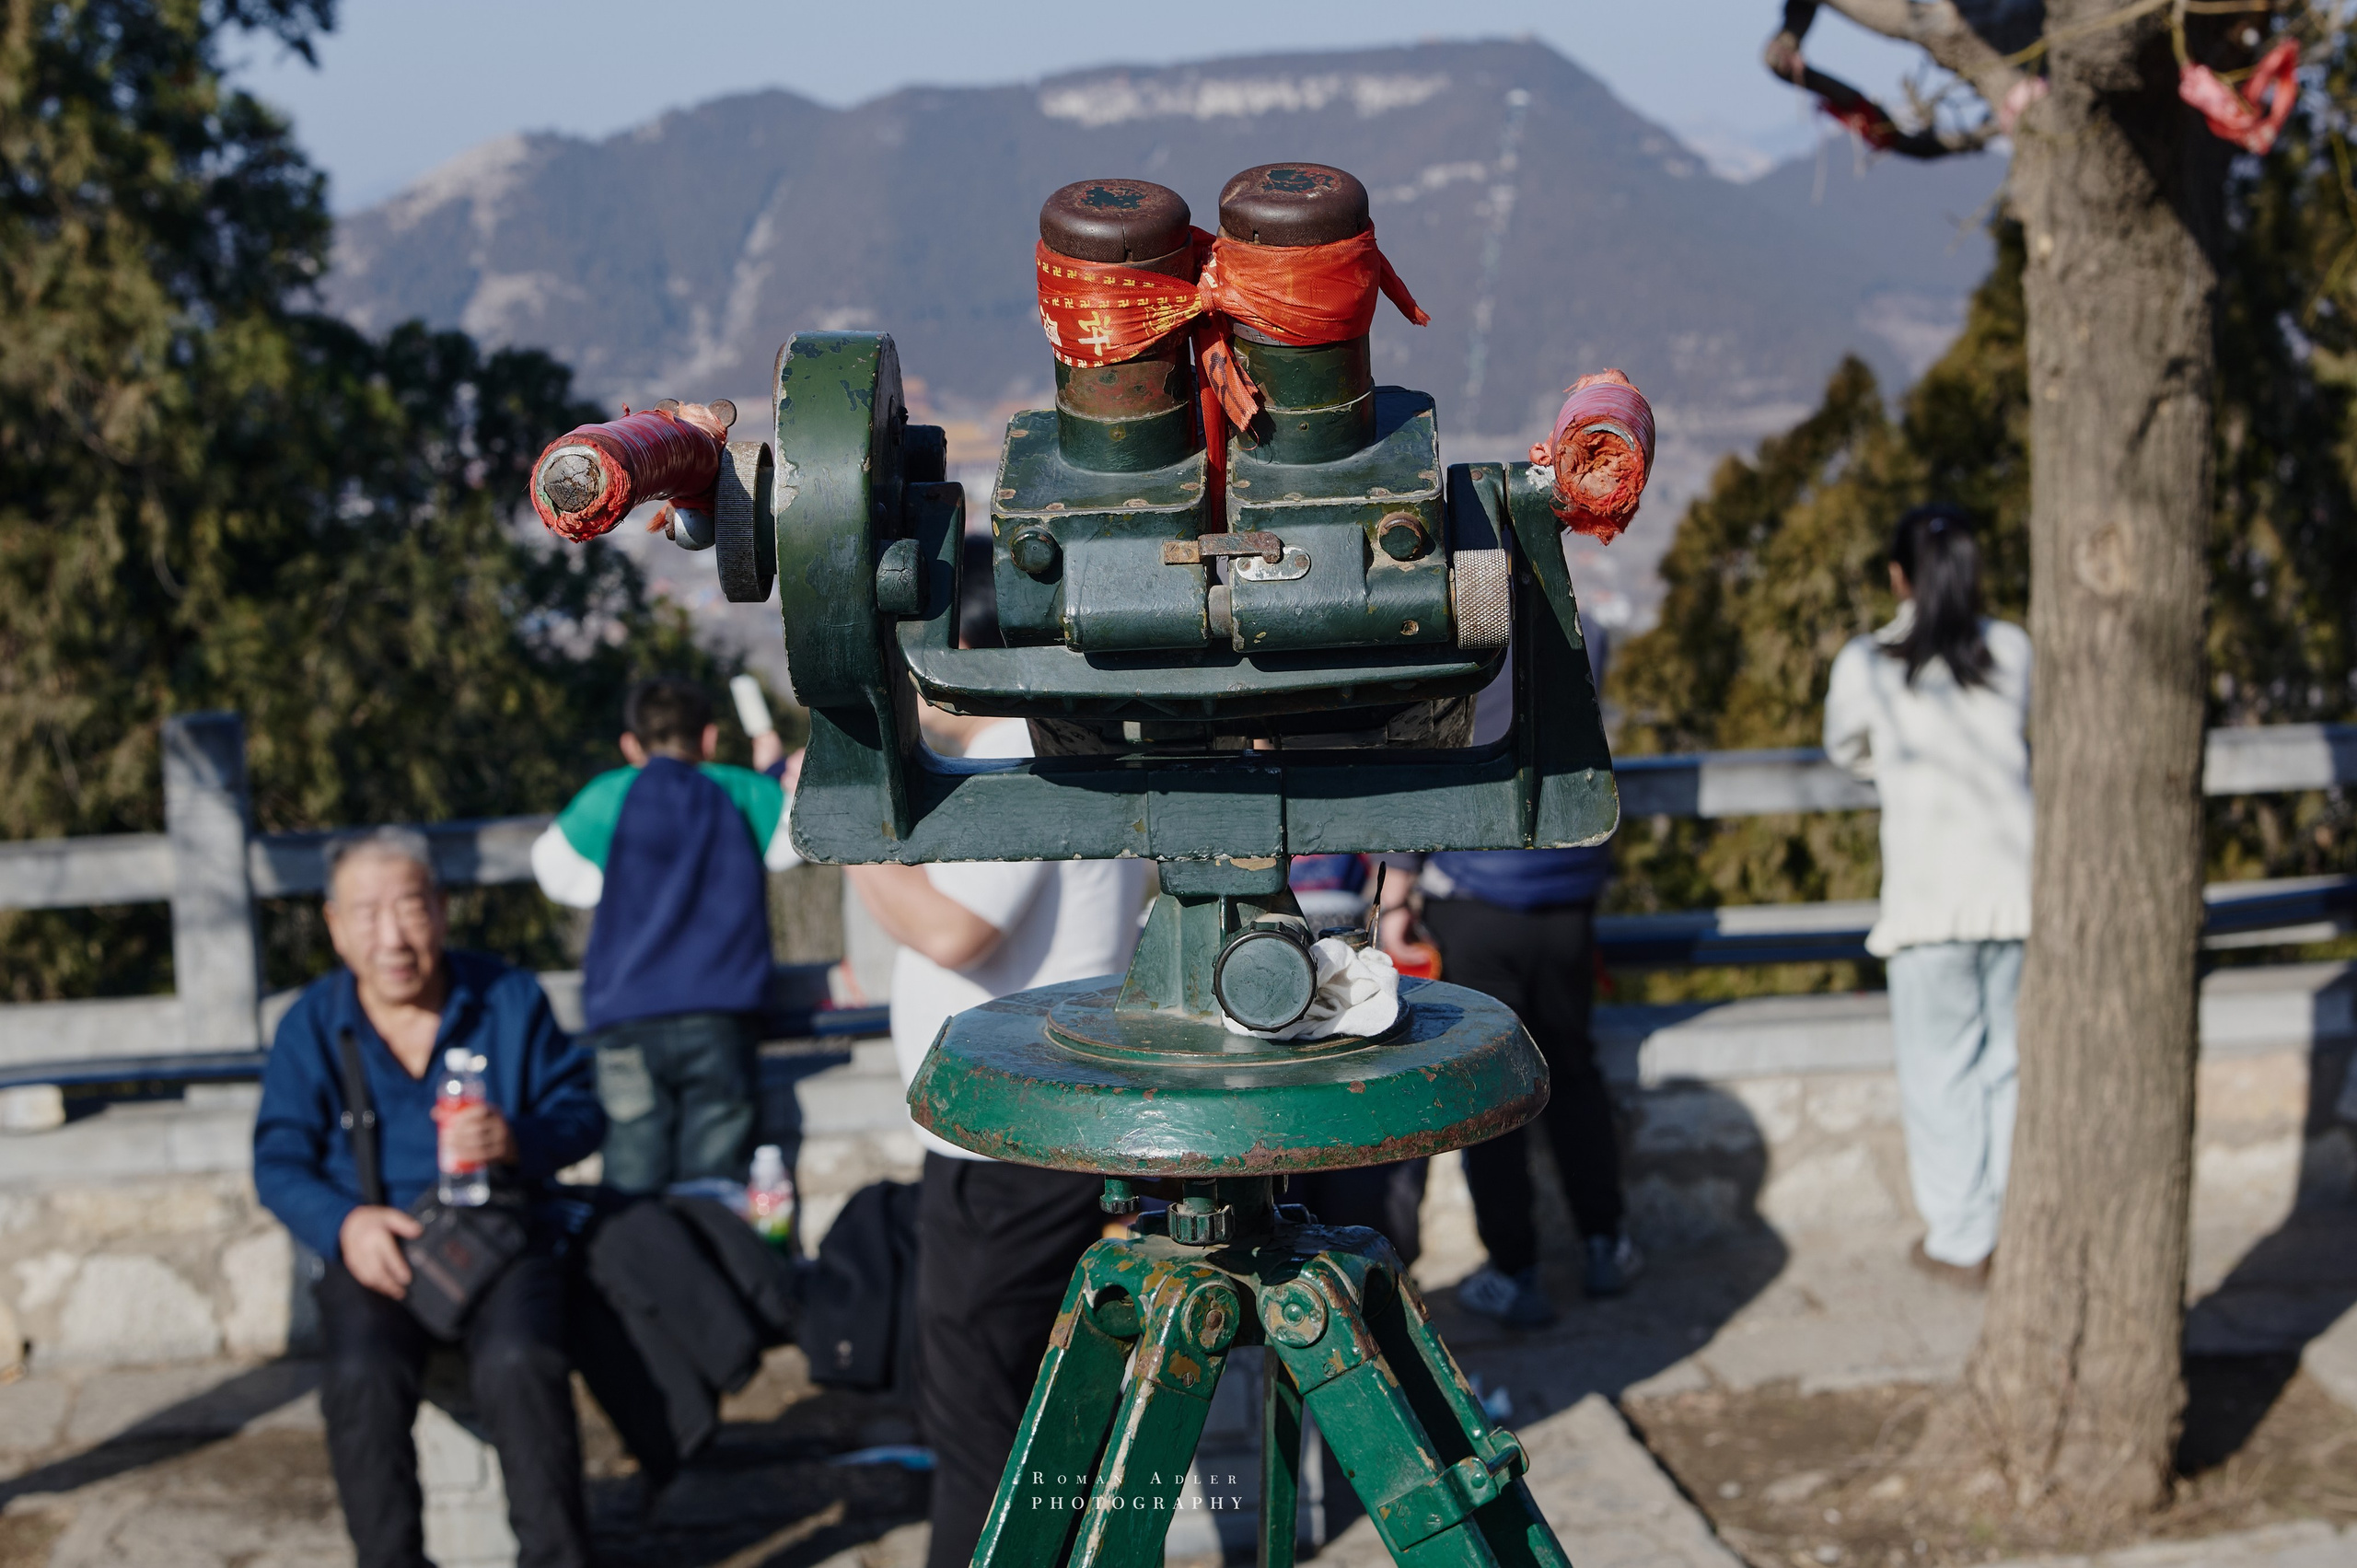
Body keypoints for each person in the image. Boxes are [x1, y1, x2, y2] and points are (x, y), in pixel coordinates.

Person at [847, 707, 1152, 1568]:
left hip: (1000, 1153)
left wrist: (850, 827)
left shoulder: (1013, 749)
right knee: (1029, 1410)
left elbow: (958, 930)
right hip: (1035, 1130)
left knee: (979, 1426)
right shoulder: (1067, 738)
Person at [253, 828, 606, 1568]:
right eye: (367, 913)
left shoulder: (508, 999)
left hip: (501, 1237)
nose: (392, 937)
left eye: (410, 908)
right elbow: (277, 1161)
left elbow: (581, 1114)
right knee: (359, 1377)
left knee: (521, 1360)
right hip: (378, 1249)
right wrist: (345, 1224)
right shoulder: (311, 1025)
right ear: (335, 927)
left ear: (441, 910)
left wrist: (514, 1137)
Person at [1377, 620, 1638, 1327]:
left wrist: (1396, 896)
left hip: (1477, 897)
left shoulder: (1455, 633)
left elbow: (1424, 765)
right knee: (1574, 1069)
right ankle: (1605, 1244)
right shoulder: (1586, 631)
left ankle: (1516, 1273)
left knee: (1491, 1087)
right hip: (1569, 888)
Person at [1825, 503, 2030, 1289]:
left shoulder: (1868, 663)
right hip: (2017, 892)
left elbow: (1845, 747)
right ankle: (2014, 1225)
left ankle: (1962, 1238)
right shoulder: (2013, 649)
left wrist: (1892, 766)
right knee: (2008, 1065)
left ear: (1898, 575)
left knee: (1939, 1072)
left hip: (1928, 900)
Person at [530, 677, 800, 1192]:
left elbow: (552, 869)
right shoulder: (737, 789)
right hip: (721, 1013)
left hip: (626, 1017)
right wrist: (772, 776)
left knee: (631, 1172)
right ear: (709, 738)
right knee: (715, 1177)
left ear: (631, 745)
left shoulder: (608, 796)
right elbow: (794, 840)